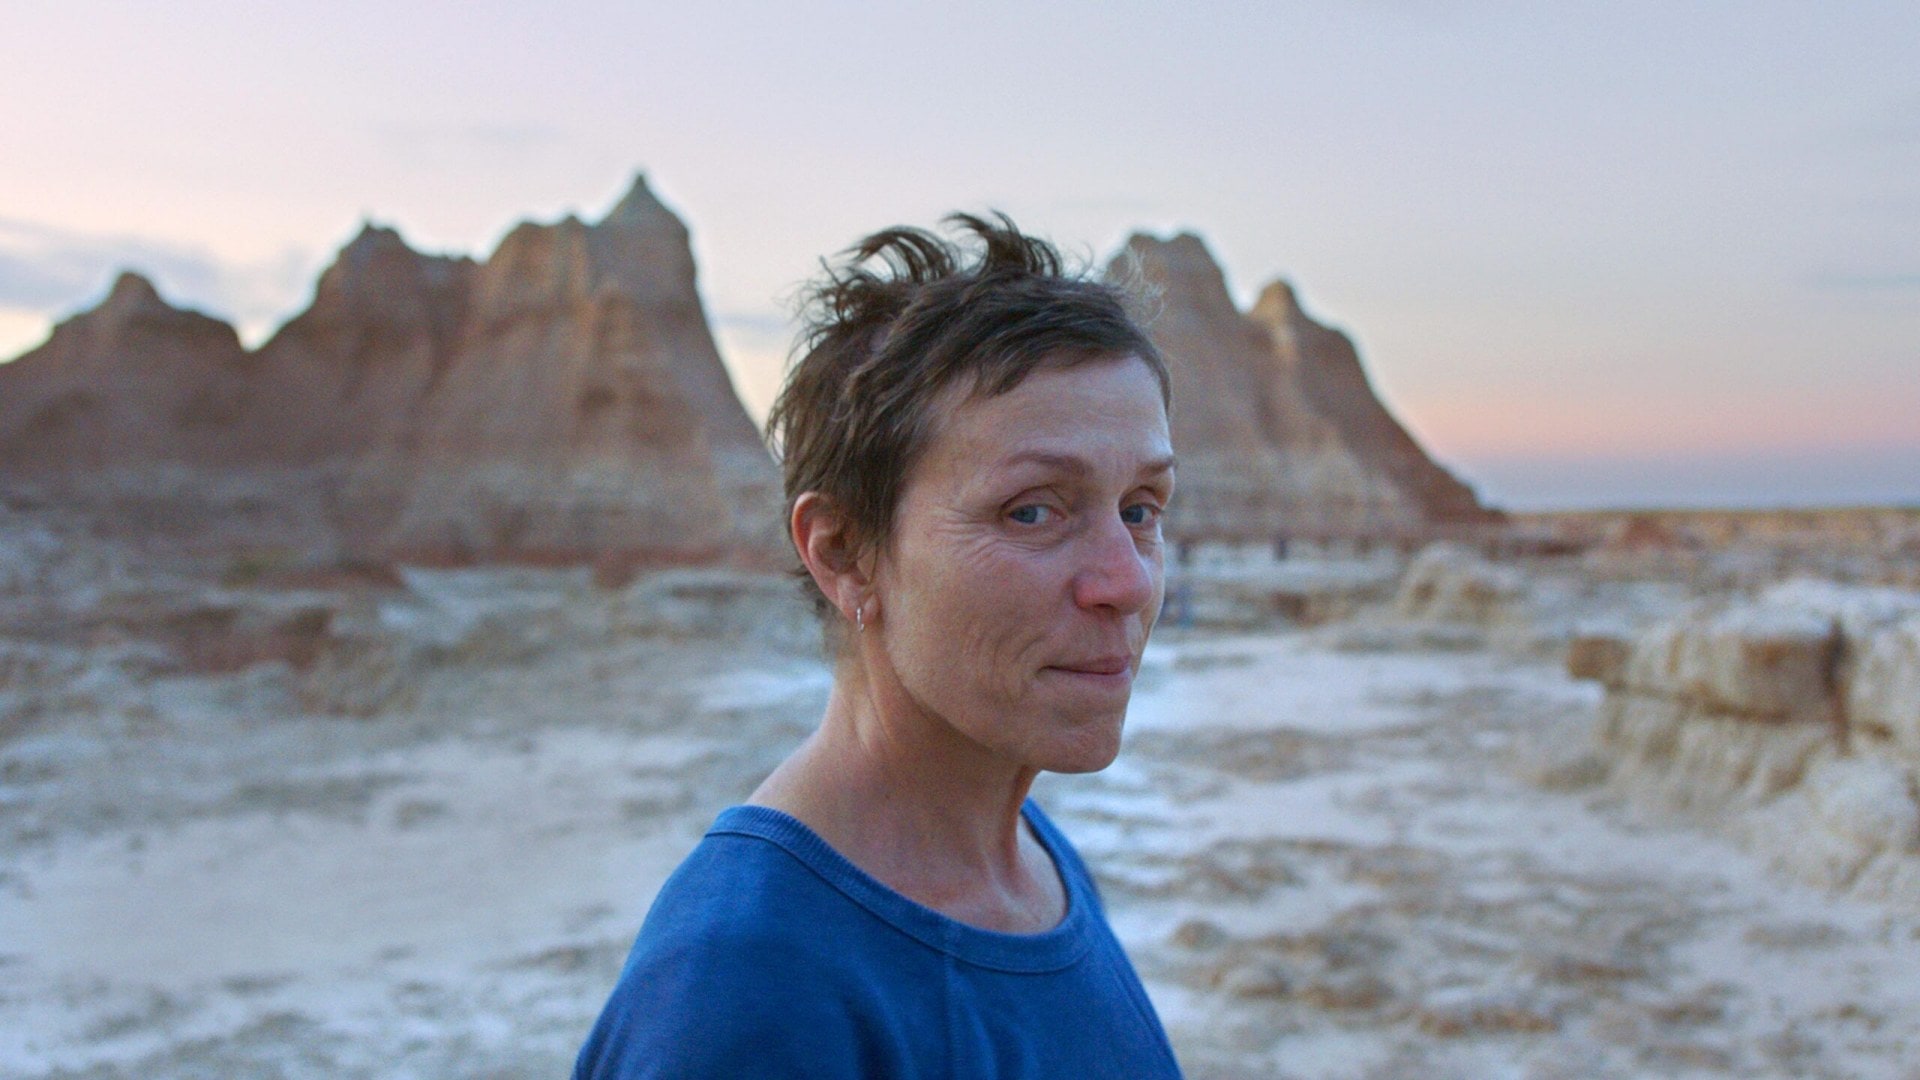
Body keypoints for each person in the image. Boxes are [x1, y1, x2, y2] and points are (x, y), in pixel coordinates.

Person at [574, 214, 1184, 1078]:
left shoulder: (1031, 863)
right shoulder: (747, 992)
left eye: (1141, 510)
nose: (1124, 582)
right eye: (1032, 511)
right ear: (844, 552)